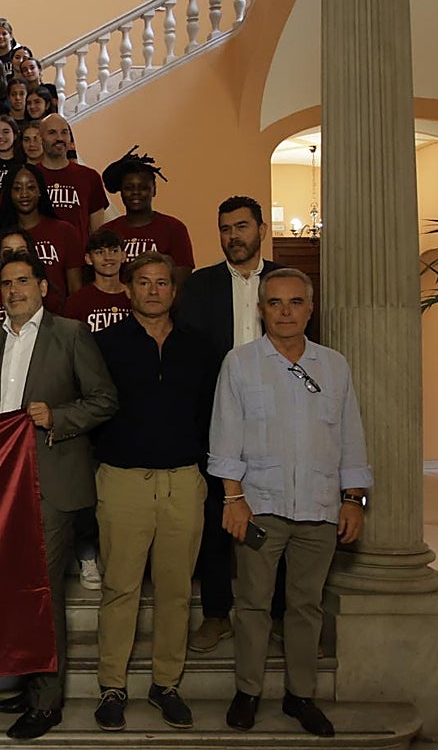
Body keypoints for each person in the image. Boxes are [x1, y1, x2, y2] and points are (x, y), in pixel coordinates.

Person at [210, 268, 371, 737]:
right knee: (255, 603)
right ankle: (248, 691)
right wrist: (233, 499)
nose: (285, 311)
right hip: (259, 506)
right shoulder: (240, 364)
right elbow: (225, 438)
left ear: (310, 308)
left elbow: (351, 438)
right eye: (275, 303)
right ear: (261, 309)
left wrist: (354, 498)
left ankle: (301, 696)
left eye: (295, 302)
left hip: (320, 508)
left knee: (306, 606)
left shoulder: (334, 366)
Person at [0, 250, 118, 740]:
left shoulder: (71, 333)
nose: (14, 291)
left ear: (42, 286)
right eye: (6, 284)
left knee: (42, 591)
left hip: (51, 482)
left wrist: (58, 417)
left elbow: (104, 400)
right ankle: (30, 680)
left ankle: (47, 702)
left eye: (22, 282)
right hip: (2, 485)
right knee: (17, 589)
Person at [90, 251, 220, 732]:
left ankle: (166, 684)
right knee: (120, 588)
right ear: (128, 289)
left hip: (184, 482)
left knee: (176, 592)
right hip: (123, 480)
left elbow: (214, 416)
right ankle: (112, 686)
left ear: (174, 290)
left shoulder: (200, 348)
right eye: (143, 282)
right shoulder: (104, 344)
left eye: (162, 283)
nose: (153, 290)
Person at [177, 195, 283, 654]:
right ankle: (217, 614)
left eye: (242, 227)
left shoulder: (283, 283)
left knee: (275, 518)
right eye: (225, 228)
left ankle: (276, 615)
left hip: (276, 420)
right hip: (216, 418)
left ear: (261, 229)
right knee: (218, 515)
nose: (233, 236)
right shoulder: (200, 286)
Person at [101, 147, 195, 284]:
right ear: (121, 191)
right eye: (129, 188)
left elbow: (180, 282)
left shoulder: (174, 228)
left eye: (143, 188)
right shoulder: (107, 231)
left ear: (154, 190)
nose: (136, 193)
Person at [0, 164, 85, 297]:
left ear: (40, 190)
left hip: (58, 315)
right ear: (9, 193)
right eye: (17, 188)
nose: (24, 194)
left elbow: (75, 289)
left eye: (31, 187)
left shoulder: (65, 232)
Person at [37, 114, 108, 239]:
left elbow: (97, 233)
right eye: (52, 133)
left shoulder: (90, 177)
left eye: (64, 132)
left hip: (79, 256)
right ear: (40, 138)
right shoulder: (29, 177)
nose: (59, 138)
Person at [64, 228, 132, 333]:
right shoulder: (76, 302)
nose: (108, 257)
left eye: (114, 251)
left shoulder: (136, 297)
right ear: (88, 259)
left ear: (123, 256)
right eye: (100, 252)